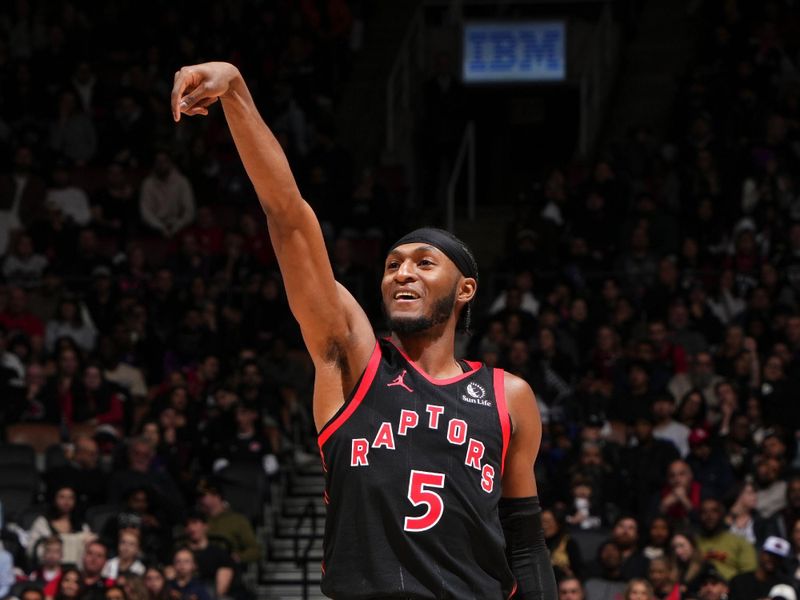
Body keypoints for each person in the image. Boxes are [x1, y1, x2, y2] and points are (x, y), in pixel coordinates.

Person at [172, 61, 556, 599]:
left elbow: (525, 543)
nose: (402, 272)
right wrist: (236, 90)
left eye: (424, 263)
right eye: (393, 263)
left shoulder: (508, 396)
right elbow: (288, 216)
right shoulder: (352, 360)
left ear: (464, 289)